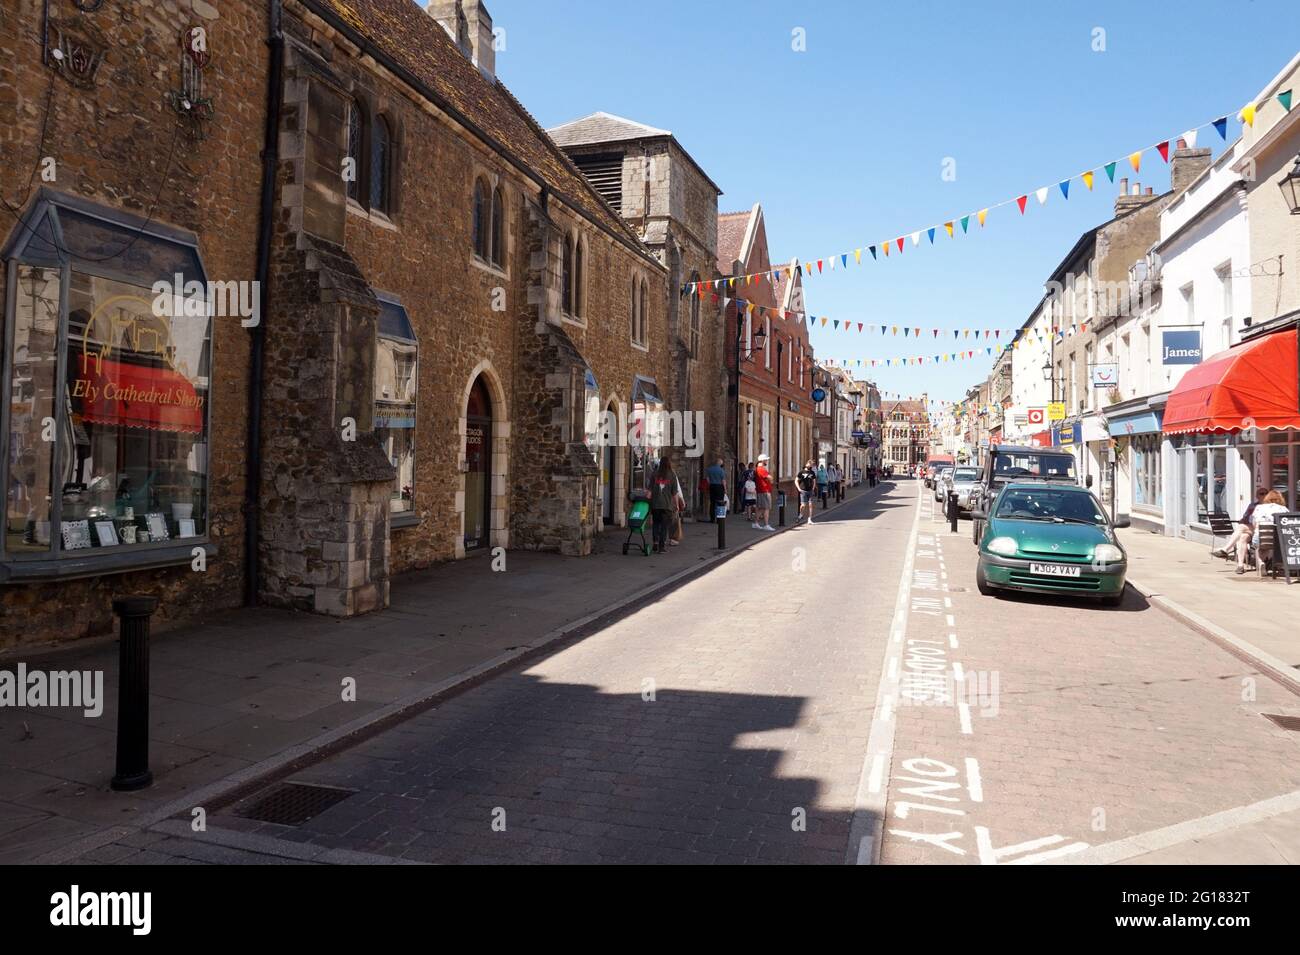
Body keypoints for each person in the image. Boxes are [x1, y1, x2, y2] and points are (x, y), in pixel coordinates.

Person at [1236, 489, 1288, 574]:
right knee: (1269, 545)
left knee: (1260, 547)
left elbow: (1254, 523)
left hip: (1261, 538)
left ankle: (1260, 562)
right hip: (1278, 541)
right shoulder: (1284, 509)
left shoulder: (1259, 507)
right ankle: (1274, 564)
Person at [1215, 487, 1267, 560]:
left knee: (1241, 527)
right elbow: (1245, 517)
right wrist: (1244, 520)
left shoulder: (1269, 506)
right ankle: (1240, 565)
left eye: (1266, 493)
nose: (1264, 495)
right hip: (1251, 529)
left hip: (1262, 530)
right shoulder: (1252, 505)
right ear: (1257, 496)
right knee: (1243, 537)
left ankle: (1226, 549)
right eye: (1262, 494)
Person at [649, 456, 679, 554]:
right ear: (669, 463)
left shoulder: (655, 474)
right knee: (664, 526)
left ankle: (655, 542)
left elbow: (649, 491)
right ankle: (661, 547)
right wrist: (677, 505)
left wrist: (647, 499)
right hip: (667, 506)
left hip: (655, 504)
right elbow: (674, 493)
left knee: (656, 524)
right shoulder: (672, 474)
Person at [754, 454, 775, 530]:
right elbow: (769, 477)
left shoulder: (759, 469)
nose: (767, 461)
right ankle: (766, 525)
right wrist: (771, 479)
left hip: (762, 490)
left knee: (761, 508)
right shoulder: (761, 469)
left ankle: (756, 523)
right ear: (762, 460)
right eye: (766, 460)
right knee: (766, 508)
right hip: (764, 490)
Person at [796, 459, 819, 525]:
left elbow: (814, 480)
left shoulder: (812, 472)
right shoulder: (801, 472)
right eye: (811, 465)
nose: (811, 466)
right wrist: (798, 488)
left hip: (810, 491)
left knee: (810, 505)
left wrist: (813, 488)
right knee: (803, 505)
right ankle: (801, 514)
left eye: (812, 465)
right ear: (808, 464)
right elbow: (796, 480)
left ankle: (809, 519)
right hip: (803, 491)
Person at [706, 457, 727, 524]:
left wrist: (710, 484)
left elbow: (707, 479)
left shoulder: (709, 469)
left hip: (712, 486)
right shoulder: (721, 470)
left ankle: (712, 519)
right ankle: (719, 519)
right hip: (719, 487)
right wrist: (725, 489)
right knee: (720, 503)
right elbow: (723, 481)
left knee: (712, 503)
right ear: (720, 463)